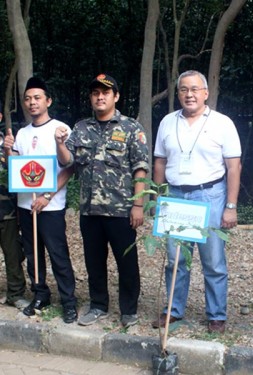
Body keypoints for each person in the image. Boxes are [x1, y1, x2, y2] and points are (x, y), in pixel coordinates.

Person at [55, 74, 149, 328]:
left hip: (120, 210)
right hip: (89, 209)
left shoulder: (131, 128)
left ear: (115, 97)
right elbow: (67, 161)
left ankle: (128, 310)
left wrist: (138, 205)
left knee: (126, 262)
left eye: (105, 92)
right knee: (94, 261)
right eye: (95, 92)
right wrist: (60, 143)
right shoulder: (81, 127)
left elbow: (140, 169)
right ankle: (98, 305)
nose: (100, 96)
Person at [152, 70, 241, 334]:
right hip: (176, 195)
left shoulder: (223, 123)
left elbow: (234, 167)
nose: (189, 94)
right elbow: (159, 161)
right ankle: (173, 310)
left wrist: (231, 206)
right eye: (183, 90)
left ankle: (216, 314)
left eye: (194, 89)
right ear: (178, 93)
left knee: (212, 260)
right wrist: (158, 196)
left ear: (205, 93)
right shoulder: (168, 122)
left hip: (210, 194)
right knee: (175, 257)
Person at [3, 77, 78, 323]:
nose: (32, 102)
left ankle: (68, 300)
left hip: (51, 206)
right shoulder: (23, 133)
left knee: (58, 253)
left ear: (48, 101)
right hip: (26, 205)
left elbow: (68, 167)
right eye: (27, 98)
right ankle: (40, 294)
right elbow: (14, 167)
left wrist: (47, 196)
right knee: (33, 255)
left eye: (37, 98)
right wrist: (7, 150)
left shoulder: (61, 128)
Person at [0, 101, 29, 310]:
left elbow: (19, 173)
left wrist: (9, 151)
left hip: (7, 210)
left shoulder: (8, 145)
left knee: (13, 254)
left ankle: (15, 293)